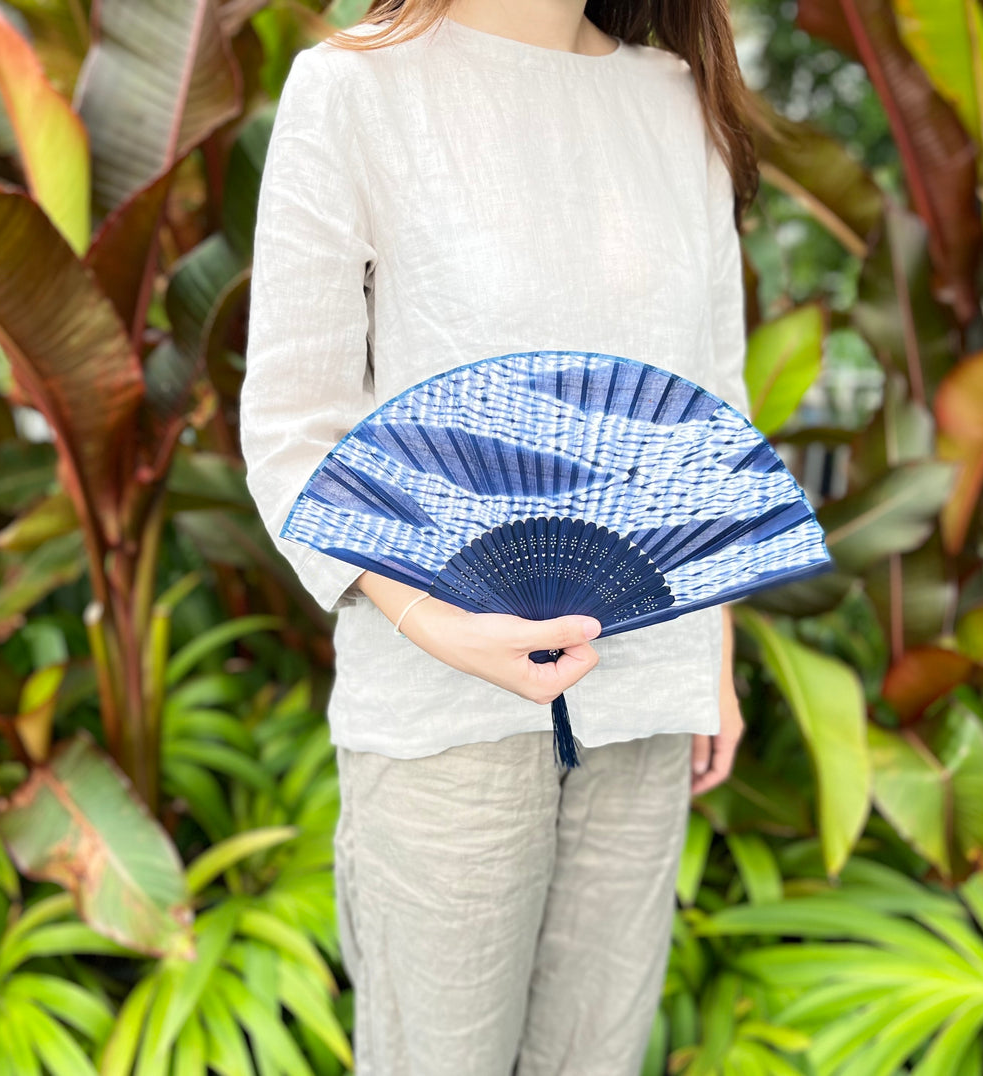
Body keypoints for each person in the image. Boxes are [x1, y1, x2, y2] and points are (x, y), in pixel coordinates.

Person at [239, 2, 756, 1072]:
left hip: (648, 685)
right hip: (440, 707)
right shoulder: (353, 90)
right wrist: (436, 619)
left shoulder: (673, 100)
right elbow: (295, 424)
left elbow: (713, 400)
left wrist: (716, 652)